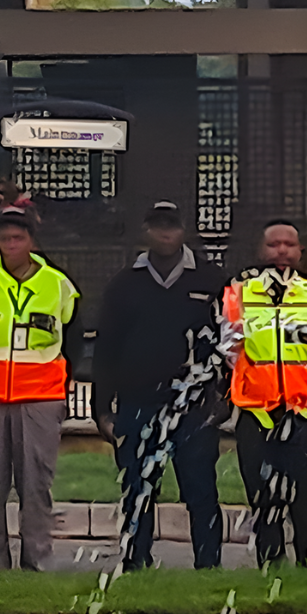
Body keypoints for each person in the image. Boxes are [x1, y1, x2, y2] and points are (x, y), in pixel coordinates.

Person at [90, 198, 227, 572]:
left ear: (184, 230)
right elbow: (107, 347)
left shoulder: (210, 280)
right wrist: (100, 408)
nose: (165, 232)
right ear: (146, 231)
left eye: (172, 225)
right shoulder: (124, 283)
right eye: (158, 225)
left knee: (201, 490)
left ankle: (208, 565)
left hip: (194, 404)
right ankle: (137, 562)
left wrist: (224, 398)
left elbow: (229, 342)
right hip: (138, 402)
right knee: (138, 488)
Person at [0, 206, 81, 573]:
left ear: (31, 241)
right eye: (4, 238)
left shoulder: (58, 284)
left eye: (18, 238)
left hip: (41, 397)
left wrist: (62, 388)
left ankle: (37, 560)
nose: (11, 245)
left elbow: (72, 340)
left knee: (36, 483)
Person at [224, 219, 307, 568]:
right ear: (259, 250)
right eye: (273, 244)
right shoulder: (237, 295)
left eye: (289, 244)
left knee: (306, 501)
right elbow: (227, 351)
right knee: (263, 499)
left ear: (301, 251)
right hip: (256, 414)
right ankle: (271, 569)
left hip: (304, 415)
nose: (282, 251)